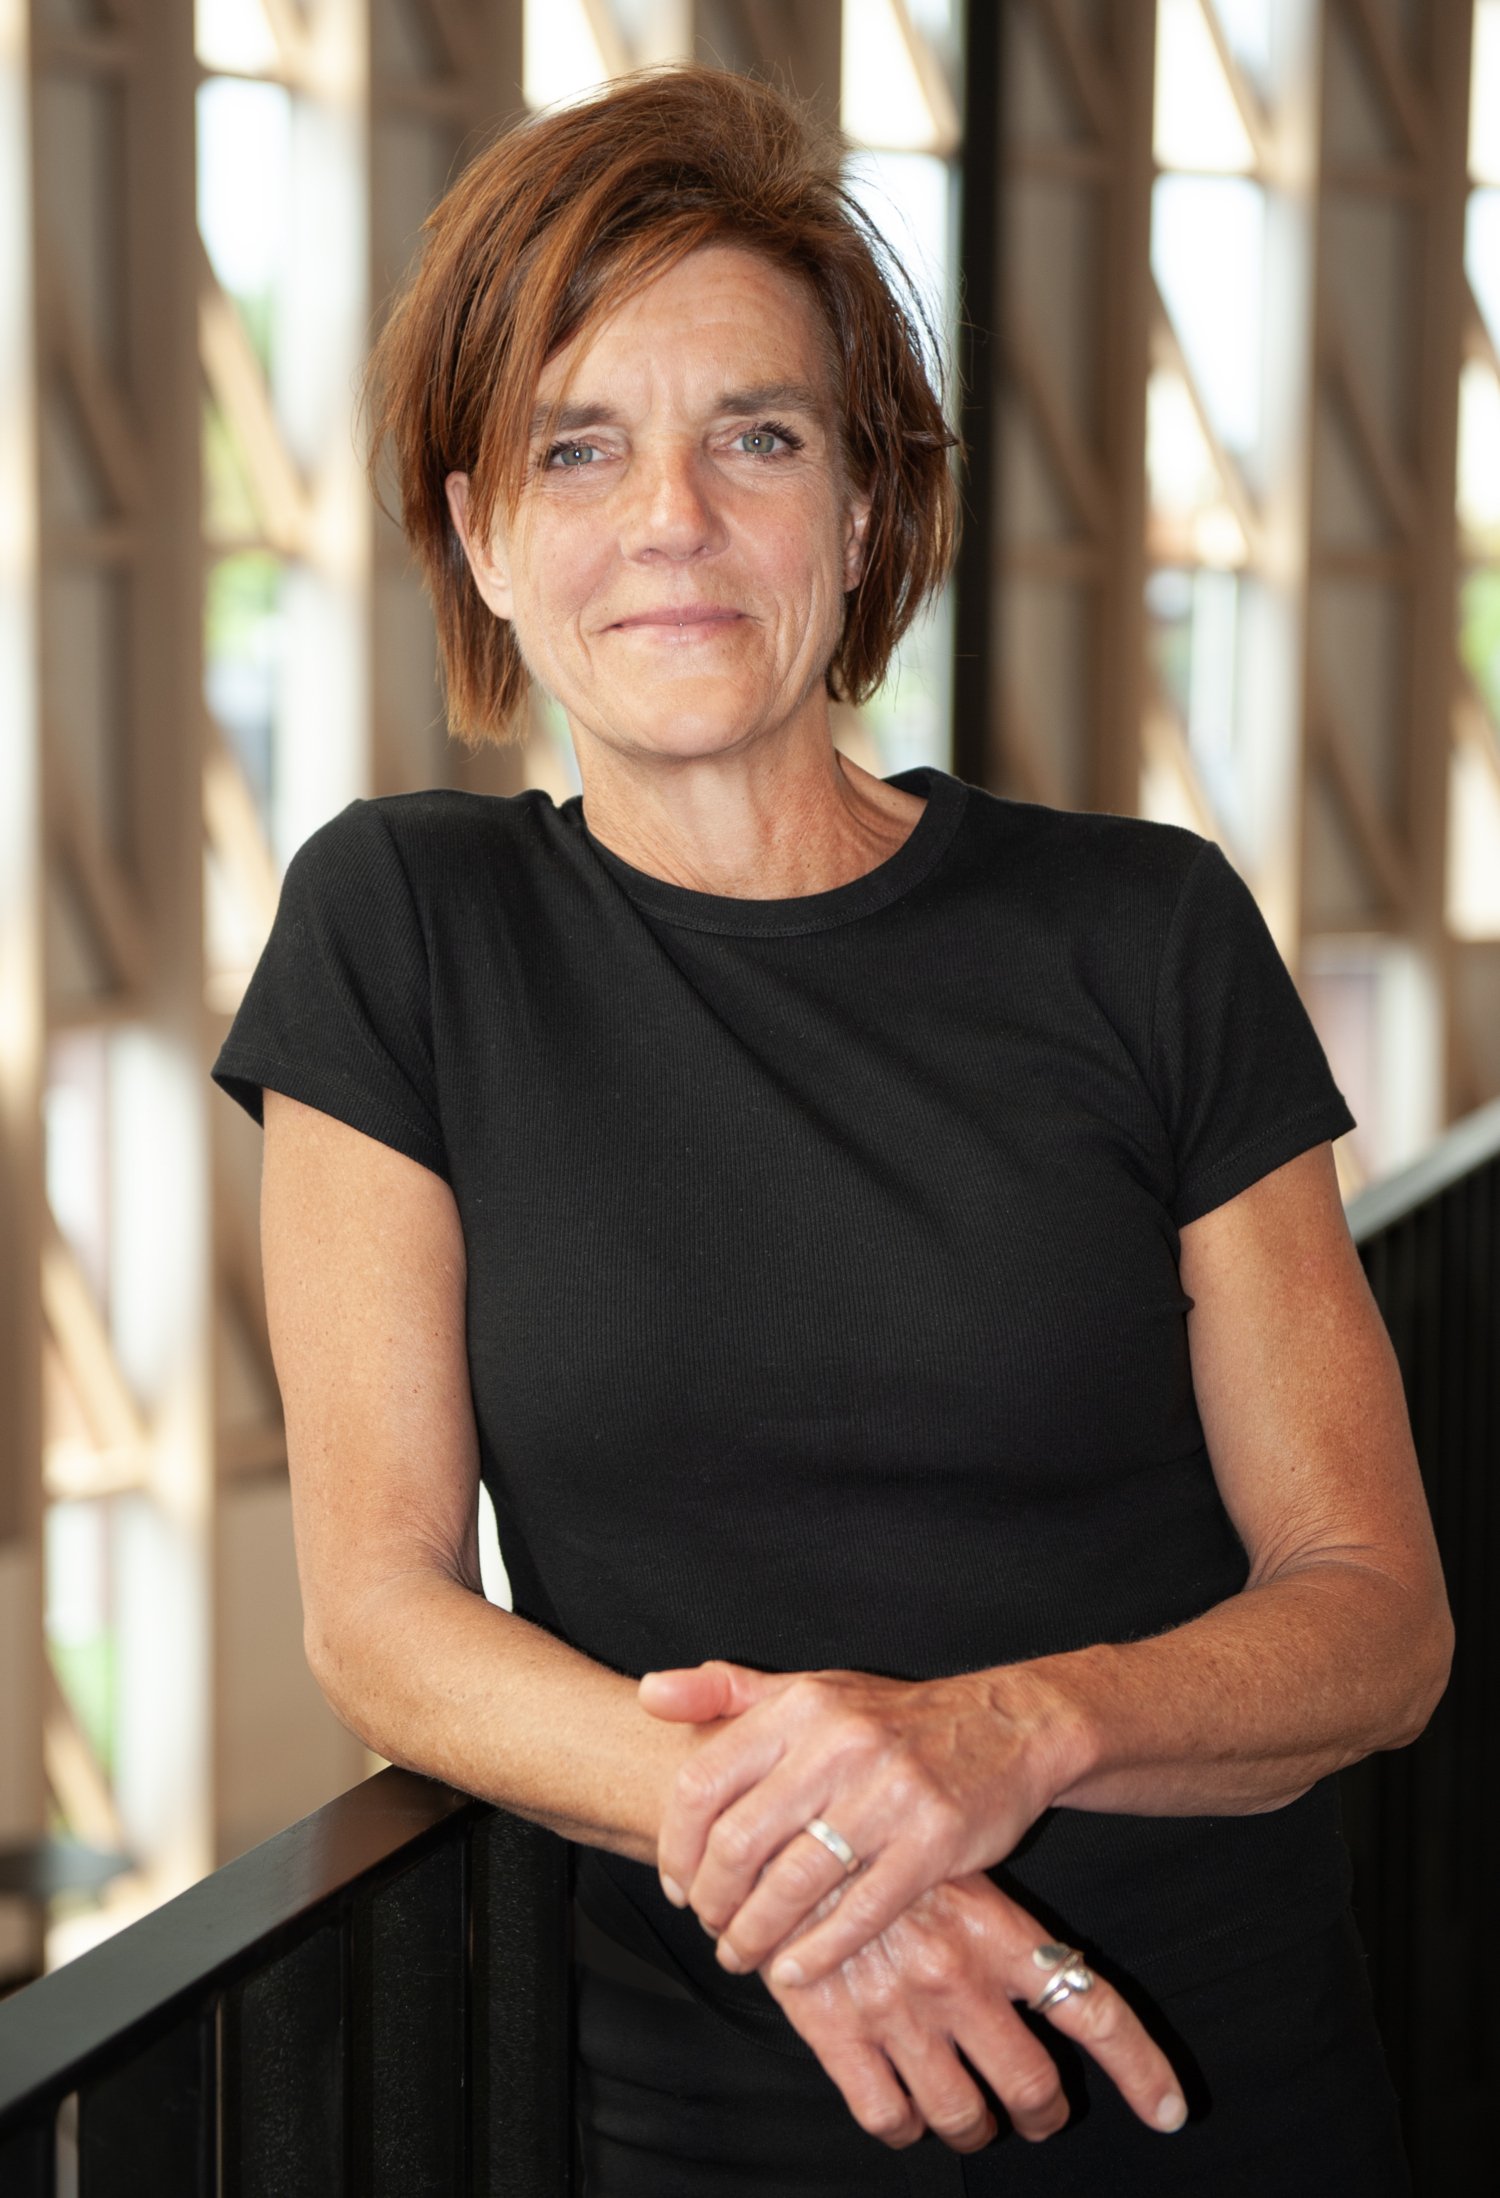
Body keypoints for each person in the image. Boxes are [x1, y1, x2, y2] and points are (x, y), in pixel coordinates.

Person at [212, 64, 1451, 2195]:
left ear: (865, 514)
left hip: (1207, 2095)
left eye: (755, 437)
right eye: (578, 447)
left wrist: (993, 1734)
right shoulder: (407, 925)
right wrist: (845, 1855)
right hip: (719, 2117)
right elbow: (381, 1612)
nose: (671, 519)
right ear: (480, 530)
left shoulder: (1140, 933)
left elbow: (1376, 1620)